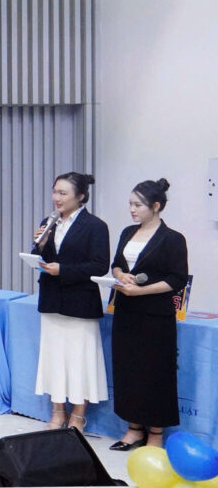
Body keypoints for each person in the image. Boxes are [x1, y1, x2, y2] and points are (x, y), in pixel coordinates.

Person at [108, 178, 188, 450]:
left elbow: (177, 279)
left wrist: (141, 291)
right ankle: (133, 429)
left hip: (155, 316)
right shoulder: (127, 232)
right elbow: (116, 265)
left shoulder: (173, 238)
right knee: (128, 370)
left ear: (155, 206)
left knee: (155, 373)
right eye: (130, 204)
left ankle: (155, 433)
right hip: (126, 313)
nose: (132, 209)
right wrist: (121, 275)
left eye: (138, 205)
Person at [31, 172, 110, 433]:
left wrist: (63, 270)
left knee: (80, 361)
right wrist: (40, 246)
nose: (57, 198)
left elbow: (99, 265)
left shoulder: (96, 226)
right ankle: (57, 412)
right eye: (55, 191)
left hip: (80, 303)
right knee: (54, 358)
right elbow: (40, 256)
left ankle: (78, 414)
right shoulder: (49, 222)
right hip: (52, 300)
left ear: (81, 196)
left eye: (63, 193)